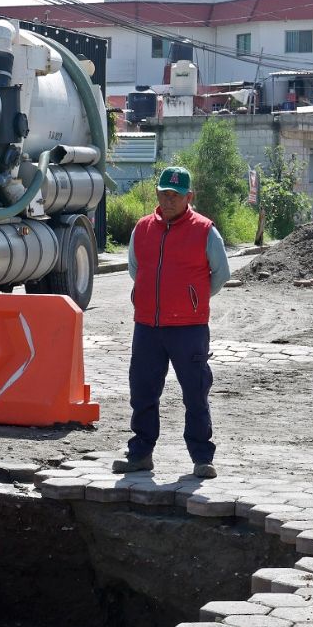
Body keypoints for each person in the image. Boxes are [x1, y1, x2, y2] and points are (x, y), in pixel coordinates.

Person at [114, 166, 231, 479]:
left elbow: (221, 274)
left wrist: (193, 299)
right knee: (143, 391)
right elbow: (134, 269)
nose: (168, 201)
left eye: (175, 196)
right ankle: (140, 455)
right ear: (157, 194)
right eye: (164, 194)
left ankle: (202, 458)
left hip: (188, 328)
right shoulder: (142, 228)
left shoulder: (205, 230)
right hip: (148, 326)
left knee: (195, 392)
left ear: (188, 197)